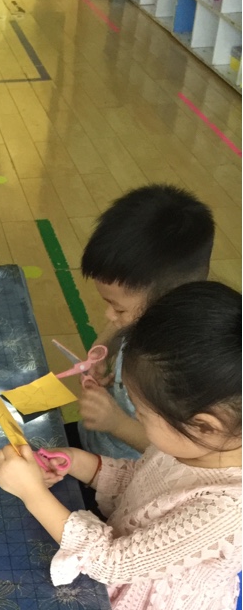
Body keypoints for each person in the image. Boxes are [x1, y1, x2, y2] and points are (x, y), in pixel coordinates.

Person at [0, 282, 241, 610]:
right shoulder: (200, 446)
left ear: (204, 424)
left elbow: (114, 562)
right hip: (125, 574)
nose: (137, 422)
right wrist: (81, 463)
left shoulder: (227, 508)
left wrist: (33, 493)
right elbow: (144, 483)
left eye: (142, 414)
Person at [74, 184, 215, 460]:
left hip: (130, 472)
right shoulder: (152, 311)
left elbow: (180, 460)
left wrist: (117, 423)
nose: (110, 316)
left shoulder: (192, 370)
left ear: (167, 300)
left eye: (118, 308)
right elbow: (121, 324)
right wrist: (104, 346)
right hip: (94, 446)